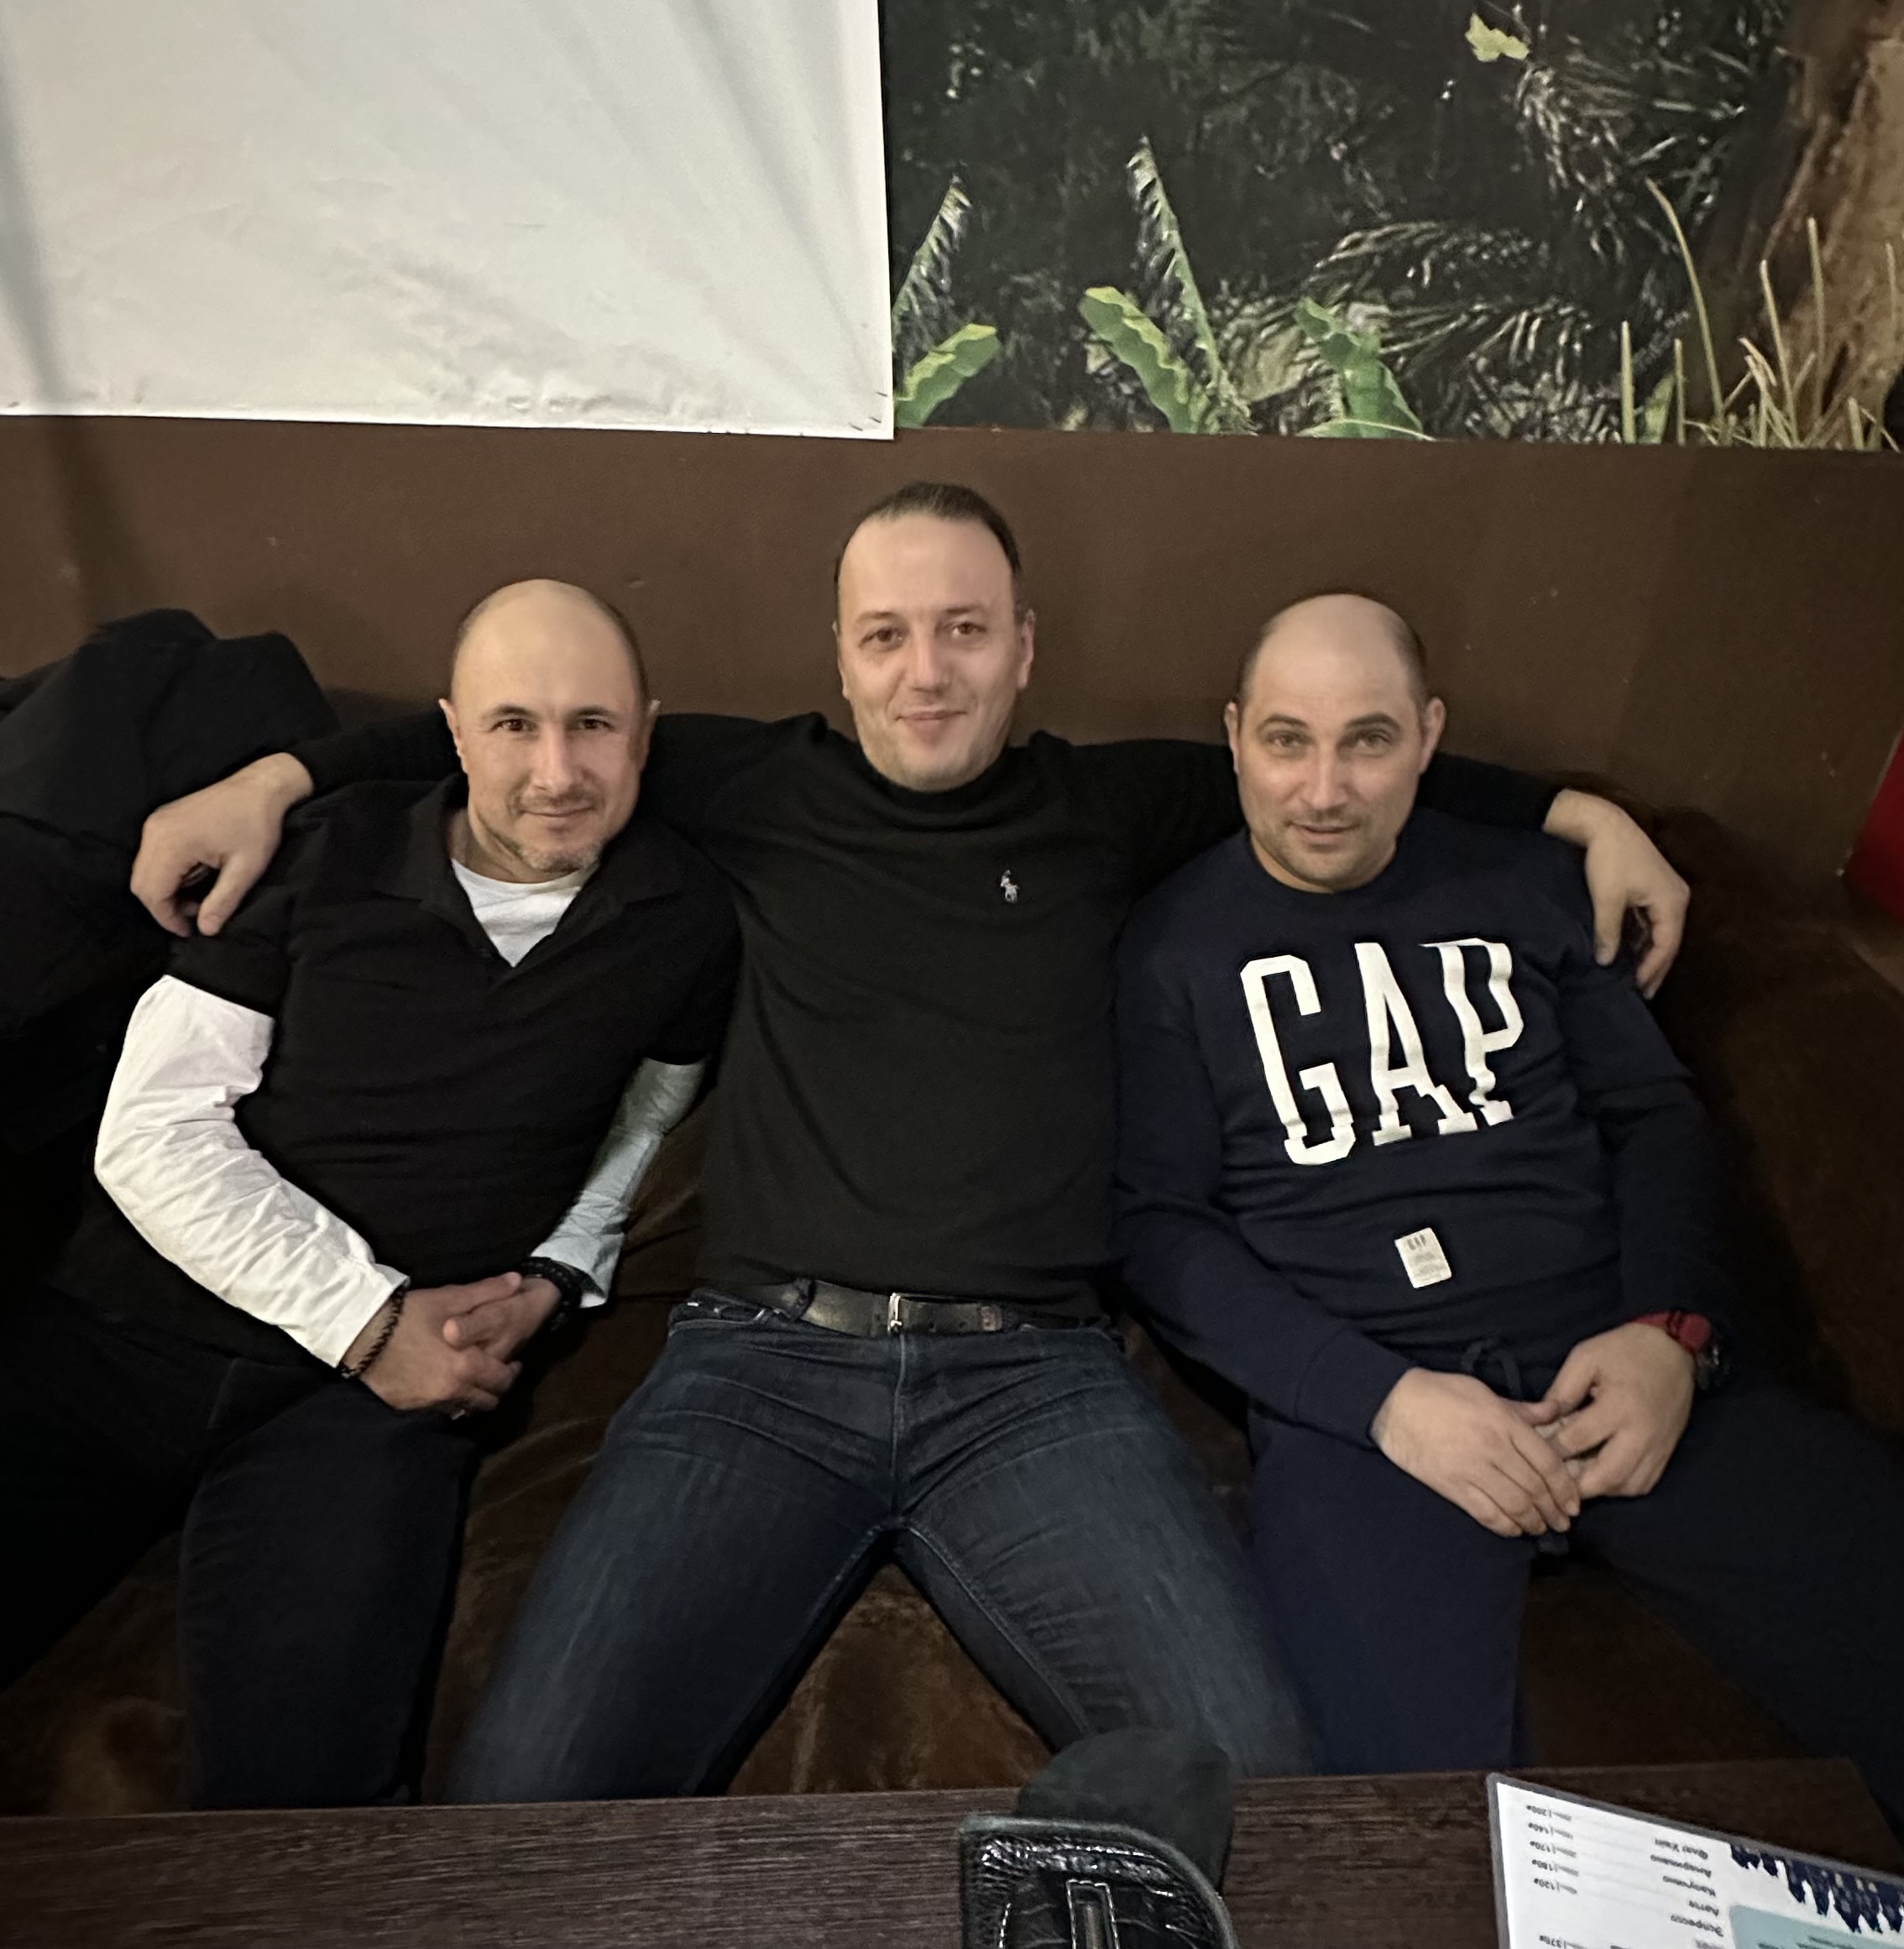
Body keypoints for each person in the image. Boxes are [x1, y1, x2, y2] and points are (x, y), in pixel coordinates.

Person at [129, 485, 1689, 1800]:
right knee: (524, 1799)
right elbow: (474, 741)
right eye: (887, 635)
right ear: (842, 655)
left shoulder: (1114, 806)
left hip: (1037, 1388)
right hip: (758, 1371)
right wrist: (274, 781)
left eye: (964, 631)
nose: (926, 672)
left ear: (1025, 648)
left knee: (1256, 1783)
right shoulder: (745, 782)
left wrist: (1582, 815)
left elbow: (1343, 758)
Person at [1112, 592, 1904, 1817]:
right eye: (1286, 740)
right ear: (1233, 736)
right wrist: (1380, 1402)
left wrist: (1672, 1334)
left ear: (1430, 736)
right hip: (1378, 1419)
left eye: (1369, 741)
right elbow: (1161, 1228)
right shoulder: (1170, 946)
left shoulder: (1532, 885)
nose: (1323, 789)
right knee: (1388, 1823)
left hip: (1616, 1359)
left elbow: (1658, 1119)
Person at [0, 580, 735, 1805]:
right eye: (514, 725)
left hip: (356, 1419)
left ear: (646, 733)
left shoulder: (685, 917)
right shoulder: (321, 852)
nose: (558, 771)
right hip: (124, 1333)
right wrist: (368, 1321)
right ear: (452, 733)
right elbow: (154, 1133)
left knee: (303, 1802)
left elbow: (647, 1119)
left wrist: (562, 1269)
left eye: (594, 726)